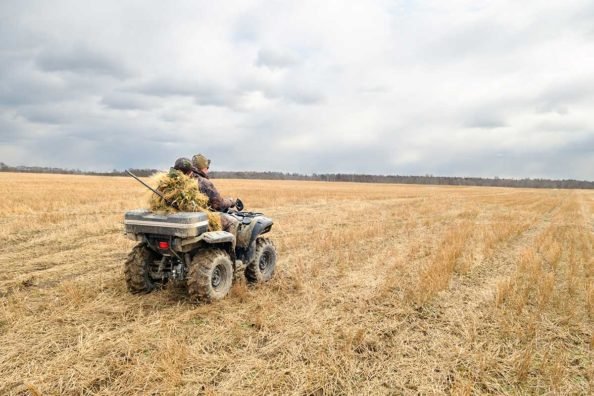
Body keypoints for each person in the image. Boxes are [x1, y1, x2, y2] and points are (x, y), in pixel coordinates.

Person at [190, 153, 240, 236]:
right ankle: (229, 248)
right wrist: (231, 202)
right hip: (203, 216)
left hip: (192, 215)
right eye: (207, 167)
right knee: (233, 222)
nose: (208, 170)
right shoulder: (204, 182)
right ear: (203, 168)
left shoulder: (188, 178)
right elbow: (219, 204)